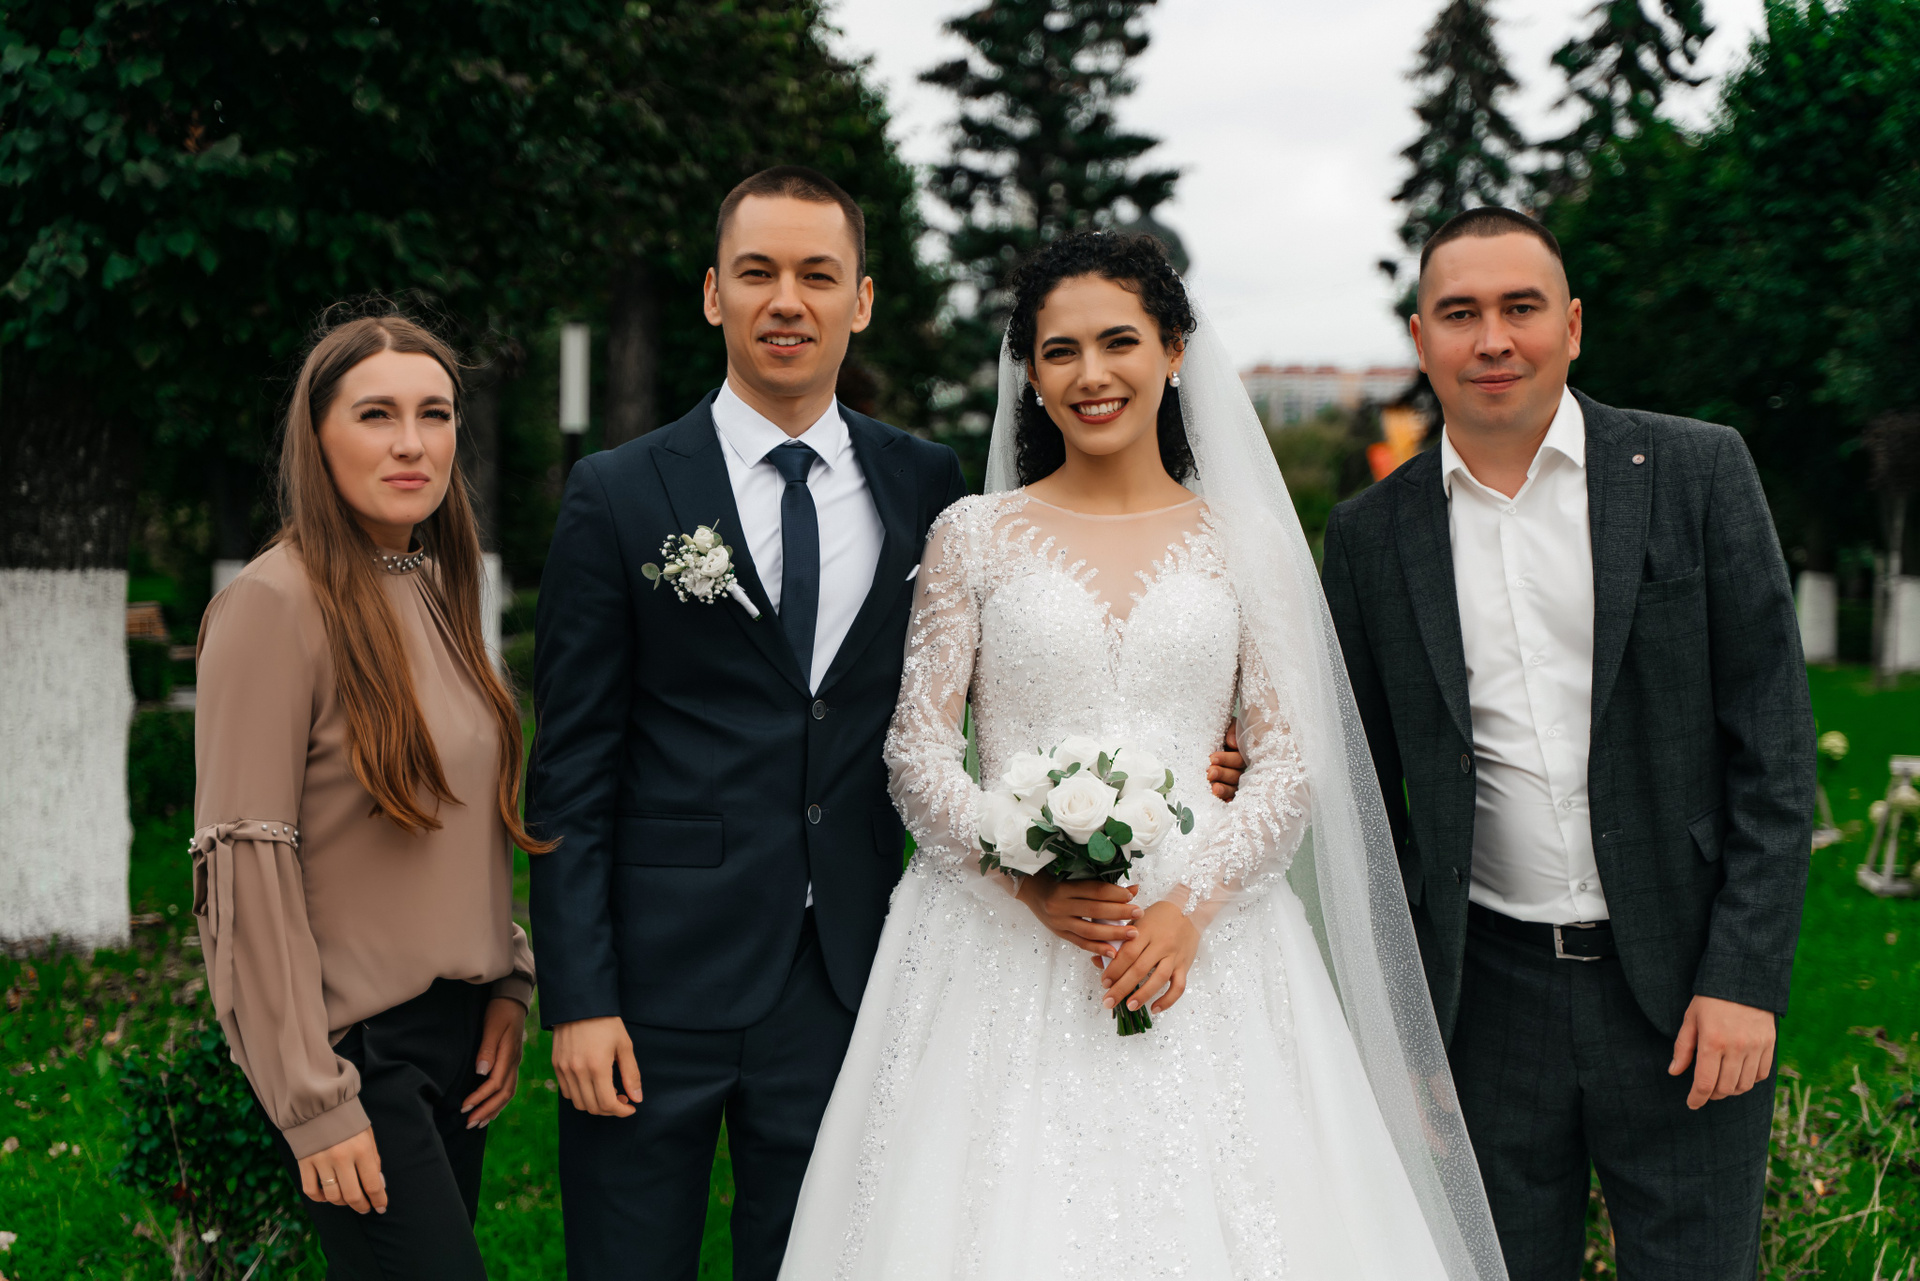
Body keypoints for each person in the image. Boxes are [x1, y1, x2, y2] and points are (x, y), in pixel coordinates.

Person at [779, 230, 1507, 1280]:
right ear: (1032, 376)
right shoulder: (972, 535)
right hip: (999, 940)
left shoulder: (1248, 540)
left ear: (1173, 350)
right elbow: (917, 752)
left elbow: (1288, 761)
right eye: (1060, 350)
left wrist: (1190, 908)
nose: (1091, 374)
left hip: (1210, 937)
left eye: (1118, 341)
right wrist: (1021, 876)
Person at [1321, 207, 1814, 1280]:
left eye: (1521, 307)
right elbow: (1364, 805)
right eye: (1461, 314)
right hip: (1485, 1005)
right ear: (1422, 339)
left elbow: (1775, 749)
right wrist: (1408, 1030)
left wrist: (1745, 978)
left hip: (1688, 990)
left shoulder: (1697, 471)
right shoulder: (1367, 536)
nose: (1493, 339)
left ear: (1574, 325)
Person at [193, 314, 546, 1279]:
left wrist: (506, 977)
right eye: (377, 414)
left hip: (457, 1041)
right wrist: (313, 1099)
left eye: (435, 414)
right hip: (357, 1055)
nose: (411, 443)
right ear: (317, 436)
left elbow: (459, 820)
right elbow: (245, 863)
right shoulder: (272, 605)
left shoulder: (433, 586)